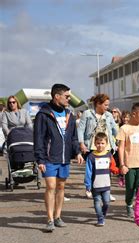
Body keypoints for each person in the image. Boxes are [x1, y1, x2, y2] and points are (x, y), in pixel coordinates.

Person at [33, 83, 84, 232]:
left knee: (61, 187)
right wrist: (40, 159)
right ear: (57, 96)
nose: (69, 99)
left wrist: (78, 153)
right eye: (67, 96)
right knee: (51, 187)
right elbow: (39, 138)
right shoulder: (43, 114)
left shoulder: (70, 114)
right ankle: (49, 219)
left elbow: (73, 138)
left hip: (64, 158)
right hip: (49, 158)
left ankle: (58, 216)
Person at [78, 94, 119, 200]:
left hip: (106, 146)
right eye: (105, 105)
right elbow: (81, 129)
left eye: (108, 105)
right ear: (98, 104)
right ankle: (89, 188)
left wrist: (118, 141)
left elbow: (115, 129)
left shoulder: (109, 115)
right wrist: (81, 143)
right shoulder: (87, 114)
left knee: (106, 170)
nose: (107, 107)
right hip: (91, 146)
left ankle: (106, 191)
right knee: (92, 170)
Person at [84, 132, 120, 226]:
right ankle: (100, 219)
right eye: (98, 143)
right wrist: (88, 184)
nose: (100, 145)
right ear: (95, 143)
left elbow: (113, 167)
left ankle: (102, 214)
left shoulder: (109, 155)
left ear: (106, 144)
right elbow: (88, 172)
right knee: (96, 201)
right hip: (95, 185)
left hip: (106, 184)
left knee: (106, 202)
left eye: (102, 143)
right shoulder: (91, 156)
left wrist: (119, 171)